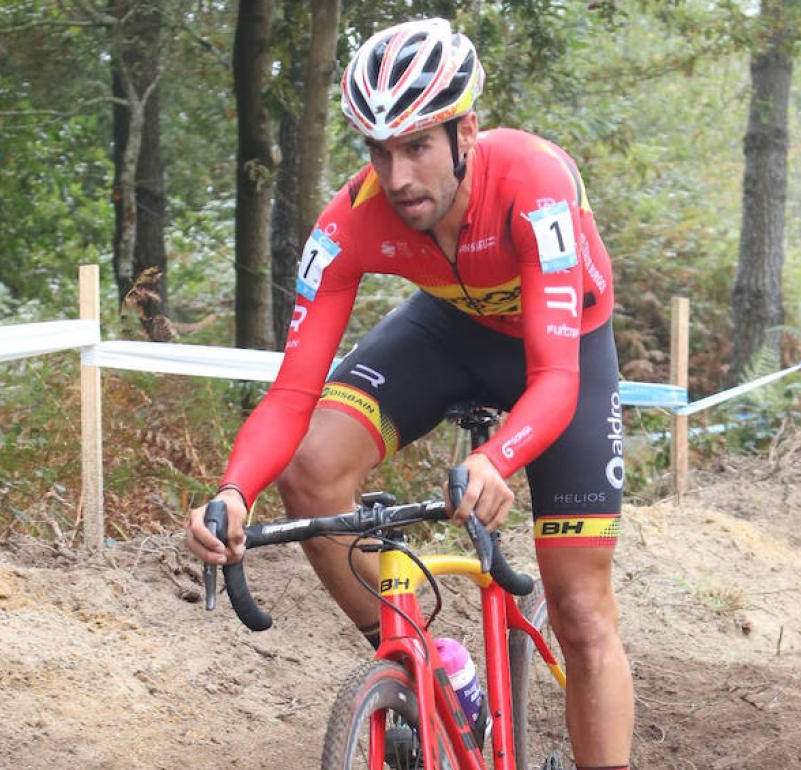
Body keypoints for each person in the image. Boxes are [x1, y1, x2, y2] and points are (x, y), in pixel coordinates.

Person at [187, 18, 633, 768]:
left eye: (418, 145)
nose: (396, 177)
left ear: (467, 133)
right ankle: (426, 666)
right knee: (309, 469)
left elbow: (556, 380)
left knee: (581, 611)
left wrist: (496, 459)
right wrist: (233, 492)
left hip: (562, 352)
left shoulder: (536, 184)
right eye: (378, 150)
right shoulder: (349, 222)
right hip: (448, 330)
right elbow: (293, 392)